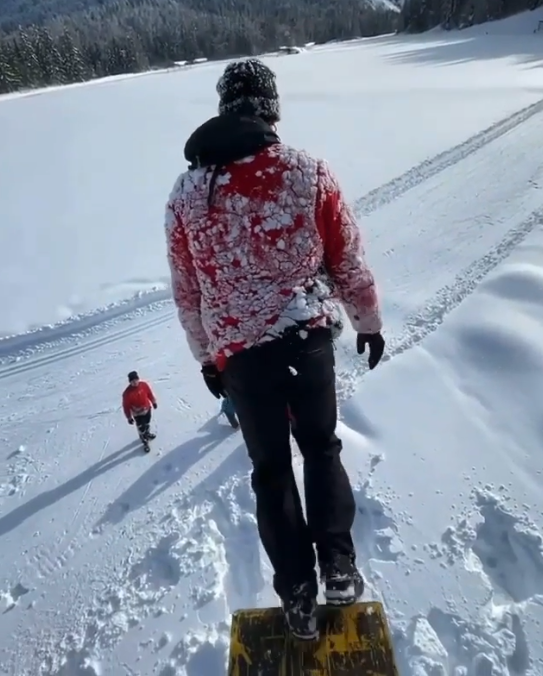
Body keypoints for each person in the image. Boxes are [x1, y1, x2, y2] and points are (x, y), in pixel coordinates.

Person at [164, 58, 385, 640]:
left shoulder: (186, 194)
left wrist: (206, 356)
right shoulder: (308, 171)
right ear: (270, 108)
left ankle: (297, 595)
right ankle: (338, 565)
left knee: (270, 472)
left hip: (241, 354)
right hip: (307, 340)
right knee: (320, 448)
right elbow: (346, 257)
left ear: (224, 109)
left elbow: (188, 291)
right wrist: (366, 320)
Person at [122, 371, 157, 443]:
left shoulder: (144, 385)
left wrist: (153, 402)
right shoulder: (127, 393)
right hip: (137, 413)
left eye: (135, 380)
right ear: (130, 382)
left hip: (147, 409)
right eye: (132, 381)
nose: (134, 382)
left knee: (147, 423)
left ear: (138, 379)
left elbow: (149, 394)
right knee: (141, 427)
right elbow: (126, 406)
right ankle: (144, 439)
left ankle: (147, 433)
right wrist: (129, 417)